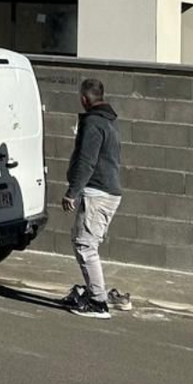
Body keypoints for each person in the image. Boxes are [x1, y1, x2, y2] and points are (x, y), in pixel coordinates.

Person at [62, 78, 129, 318]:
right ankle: (95, 291)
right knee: (84, 241)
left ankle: (98, 302)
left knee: (85, 245)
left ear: (84, 98)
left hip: (97, 192)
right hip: (107, 192)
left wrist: (72, 192)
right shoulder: (110, 123)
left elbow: (86, 161)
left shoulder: (93, 123)